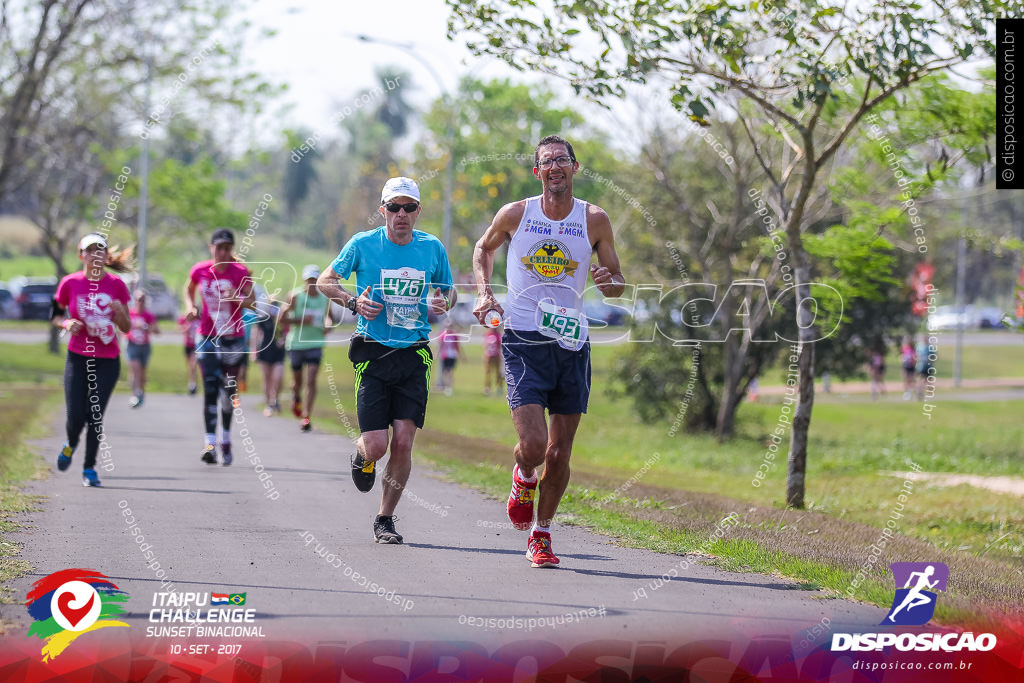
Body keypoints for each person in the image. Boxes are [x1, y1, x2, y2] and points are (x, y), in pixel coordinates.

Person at [473, 135, 625, 568]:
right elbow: (483, 248)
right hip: (524, 337)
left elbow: (616, 282)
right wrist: (485, 294)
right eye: (546, 162)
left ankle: (541, 535)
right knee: (535, 445)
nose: (555, 166)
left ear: (575, 168)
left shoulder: (594, 220)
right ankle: (523, 476)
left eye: (562, 160)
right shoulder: (516, 214)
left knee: (560, 452)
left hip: (571, 342)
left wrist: (607, 281)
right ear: (537, 172)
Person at [317, 176, 455, 544]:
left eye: (409, 207)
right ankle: (362, 455)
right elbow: (325, 281)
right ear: (383, 211)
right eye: (394, 207)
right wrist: (352, 301)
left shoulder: (432, 248)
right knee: (377, 445)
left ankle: (385, 519)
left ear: (418, 211)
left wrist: (445, 301)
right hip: (374, 351)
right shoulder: (363, 244)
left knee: (405, 441)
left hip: (413, 355)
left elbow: (449, 290)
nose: (401, 214)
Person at [51, 233, 132, 487]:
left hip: (107, 359)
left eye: (100, 251)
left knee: (95, 415)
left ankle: (89, 469)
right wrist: (66, 322)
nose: (95, 255)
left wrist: (119, 313)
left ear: (105, 256)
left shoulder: (117, 284)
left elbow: (127, 327)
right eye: (90, 251)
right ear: (81, 255)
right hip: (77, 357)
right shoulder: (69, 283)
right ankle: (71, 443)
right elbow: (55, 315)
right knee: (76, 416)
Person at [184, 228, 255, 466]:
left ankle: (226, 439)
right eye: (219, 247)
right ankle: (210, 444)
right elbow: (188, 288)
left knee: (228, 394)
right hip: (207, 336)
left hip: (233, 338)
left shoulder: (240, 272)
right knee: (211, 387)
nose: (223, 252)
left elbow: (253, 303)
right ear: (211, 247)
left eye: (227, 248)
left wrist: (236, 297)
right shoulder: (200, 270)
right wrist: (191, 307)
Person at [279, 265, 332, 431]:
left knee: (311, 379)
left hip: (315, 343)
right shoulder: (295, 296)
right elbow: (282, 320)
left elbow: (329, 318)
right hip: (296, 343)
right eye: (309, 280)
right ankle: (295, 396)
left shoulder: (324, 298)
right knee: (298, 381)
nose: (312, 283)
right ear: (304, 280)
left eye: (314, 280)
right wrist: (301, 319)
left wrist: (328, 326)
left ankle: (306, 416)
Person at [250, 297, 285, 417]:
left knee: (277, 377)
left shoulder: (282, 320)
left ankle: (276, 399)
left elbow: (288, 331)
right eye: (272, 305)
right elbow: (255, 334)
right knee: (267, 378)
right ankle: (269, 404)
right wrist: (253, 351)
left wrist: (284, 340)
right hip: (265, 351)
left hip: (279, 352)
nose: (274, 307)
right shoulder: (263, 319)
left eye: (276, 305)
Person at [126, 290, 159, 408]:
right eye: (138, 299)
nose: (140, 302)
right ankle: (135, 394)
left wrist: (145, 327)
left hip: (144, 346)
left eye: (142, 300)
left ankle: (142, 393)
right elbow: (122, 328)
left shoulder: (148, 315)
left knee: (142, 373)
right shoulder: (129, 313)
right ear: (134, 300)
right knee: (134, 369)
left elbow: (157, 331)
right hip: (132, 344)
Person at [435, 320, 463, 396]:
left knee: (450, 372)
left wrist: (461, 356)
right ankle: (445, 386)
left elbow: (457, 346)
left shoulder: (454, 335)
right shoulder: (442, 335)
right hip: (444, 356)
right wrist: (436, 354)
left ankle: (449, 387)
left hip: (452, 356)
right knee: (445, 372)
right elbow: (439, 346)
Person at [178, 312, 200, 394]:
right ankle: (191, 382)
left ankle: (193, 384)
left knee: (193, 365)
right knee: (190, 366)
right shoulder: (184, 319)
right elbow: (180, 329)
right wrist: (188, 325)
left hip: (197, 345)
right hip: (188, 345)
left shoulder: (200, 319)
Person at [482, 323, 504, 396]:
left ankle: (499, 388)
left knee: (498, 373)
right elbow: (485, 345)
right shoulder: (487, 334)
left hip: (496, 356)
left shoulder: (498, 335)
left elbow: (500, 346)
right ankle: (487, 388)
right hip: (489, 356)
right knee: (488, 373)